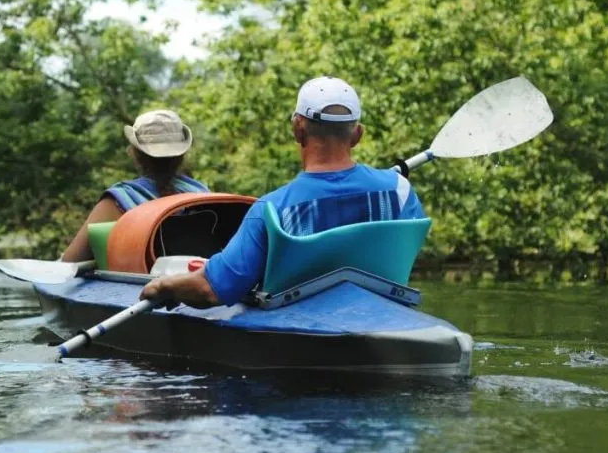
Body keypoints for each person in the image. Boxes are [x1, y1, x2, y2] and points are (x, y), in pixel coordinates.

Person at [141, 76, 425, 308]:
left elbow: (211, 290)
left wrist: (166, 285)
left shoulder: (271, 210)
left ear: (297, 129)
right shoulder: (400, 191)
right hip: (385, 314)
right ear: (357, 135)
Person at [61, 109, 209, 262]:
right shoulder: (201, 193)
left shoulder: (118, 201)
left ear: (134, 153)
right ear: (182, 155)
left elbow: (69, 263)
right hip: (198, 282)